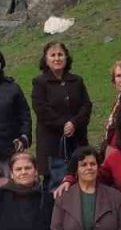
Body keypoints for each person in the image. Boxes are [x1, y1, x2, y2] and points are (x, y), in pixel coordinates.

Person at [31, 41, 92, 190]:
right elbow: (41, 109)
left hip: (77, 140)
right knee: (55, 188)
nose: (57, 58)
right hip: (52, 145)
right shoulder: (40, 83)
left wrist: (74, 124)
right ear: (46, 59)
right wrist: (64, 124)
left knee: (82, 182)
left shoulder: (77, 81)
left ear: (66, 58)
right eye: (53, 55)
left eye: (60, 54)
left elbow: (86, 105)